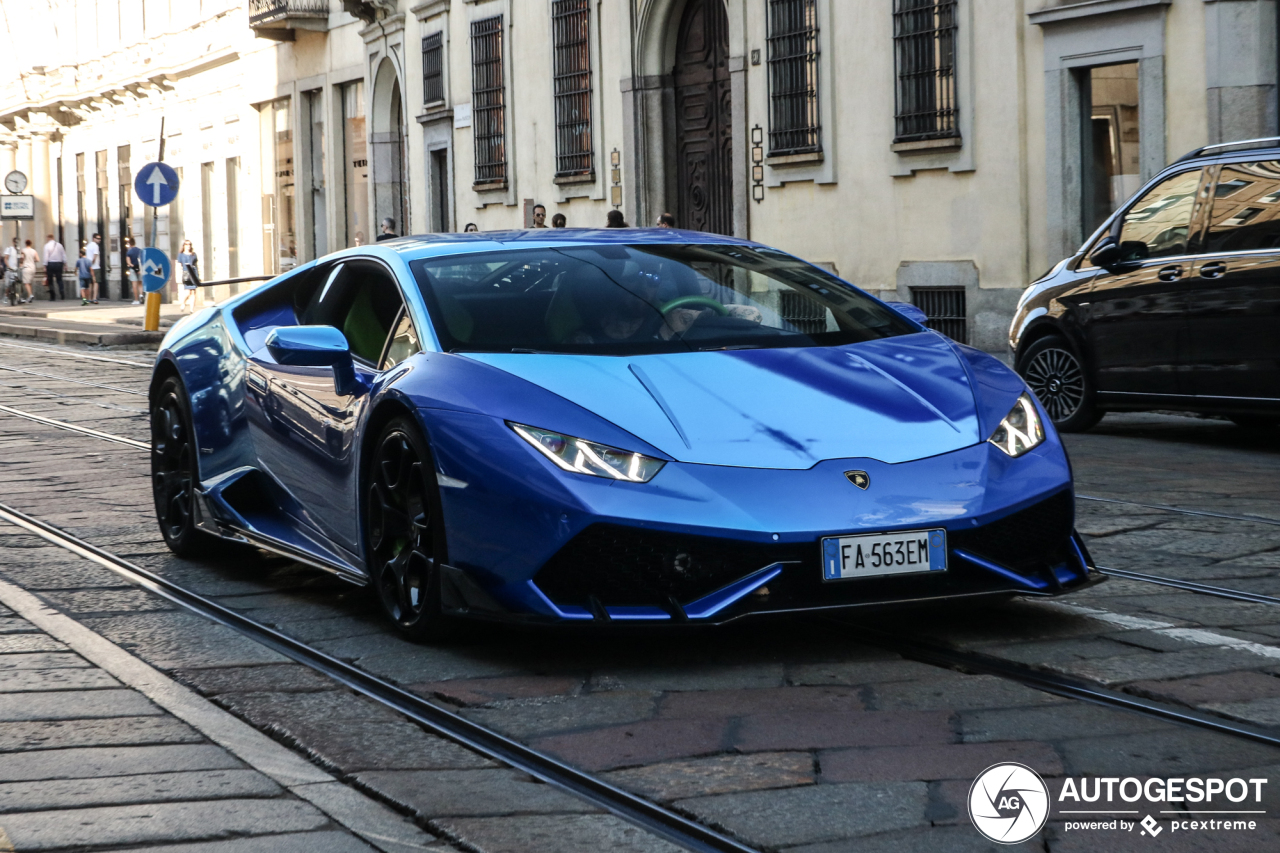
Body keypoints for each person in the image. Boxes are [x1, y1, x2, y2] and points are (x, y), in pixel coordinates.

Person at [177, 239, 199, 313]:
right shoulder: (181, 255)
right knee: (187, 292)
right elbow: (179, 266)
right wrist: (179, 275)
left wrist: (198, 275)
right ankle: (183, 303)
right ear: (184, 246)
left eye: (189, 244)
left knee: (193, 292)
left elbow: (196, 265)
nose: (188, 246)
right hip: (186, 274)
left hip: (193, 274)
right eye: (186, 244)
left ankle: (191, 309)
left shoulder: (193, 254)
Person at [43, 234, 66, 301]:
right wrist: (65, 264)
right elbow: (63, 255)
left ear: (48, 238)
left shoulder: (46, 246)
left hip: (50, 264)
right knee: (59, 279)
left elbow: (46, 256)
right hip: (59, 263)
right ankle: (62, 294)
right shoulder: (60, 245)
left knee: (50, 280)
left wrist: (45, 265)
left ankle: (52, 296)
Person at [85, 233, 102, 304]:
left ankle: (89, 298)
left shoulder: (88, 245)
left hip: (88, 267)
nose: (99, 240)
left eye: (100, 239)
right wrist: (92, 263)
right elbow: (94, 257)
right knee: (96, 283)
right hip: (95, 267)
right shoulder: (95, 246)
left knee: (90, 283)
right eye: (98, 238)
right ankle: (94, 298)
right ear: (94, 238)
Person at [126, 237, 143, 304]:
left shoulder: (129, 252)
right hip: (140, 269)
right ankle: (141, 295)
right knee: (140, 284)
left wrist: (132, 266)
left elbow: (128, 262)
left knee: (134, 285)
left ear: (129, 244)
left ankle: (136, 300)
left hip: (133, 269)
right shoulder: (139, 250)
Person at [20, 239, 38, 304]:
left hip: (26, 268)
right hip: (33, 268)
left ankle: (30, 295)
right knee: (29, 283)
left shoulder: (23, 250)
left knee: (26, 283)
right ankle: (29, 298)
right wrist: (32, 260)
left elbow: (22, 258)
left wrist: (21, 263)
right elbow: (37, 259)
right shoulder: (34, 251)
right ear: (31, 244)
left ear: (25, 244)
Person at [2, 238, 18, 306]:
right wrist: (8, 266)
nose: (16, 243)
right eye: (15, 242)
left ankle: (18, 296)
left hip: (16, 269)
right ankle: (6, 296)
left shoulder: (18, 250)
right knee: (8, 285)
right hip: (9, 269)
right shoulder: (9, 249)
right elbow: (5, 258)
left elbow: (20, 260)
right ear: (13, 242)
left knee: (19, 282)